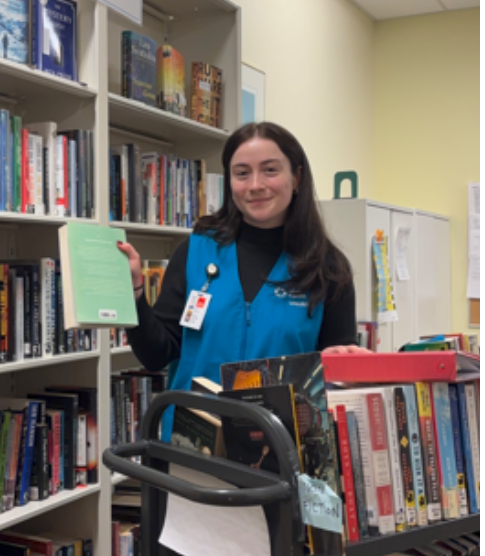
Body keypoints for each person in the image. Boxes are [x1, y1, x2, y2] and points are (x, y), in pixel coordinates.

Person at [119, 122, 367, 397]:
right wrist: (135, 294)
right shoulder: (196, 250)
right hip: (192, 434)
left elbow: (337, 382)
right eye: (242, 173)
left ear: (297, 177)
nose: (255, 185)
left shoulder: (328, 268)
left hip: (280, 436)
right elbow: (156, 355)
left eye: (270, 170)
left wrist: (341, 368)